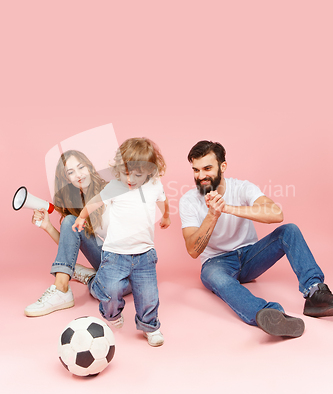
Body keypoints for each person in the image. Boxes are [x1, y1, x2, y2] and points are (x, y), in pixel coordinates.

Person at [179, 140, 333, 338]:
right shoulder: (188, 201)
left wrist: (227, 208)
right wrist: (213, 215)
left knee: (289, 231)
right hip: (216, 263)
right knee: (216, 277)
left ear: (222, 166)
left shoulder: (242, 188)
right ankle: (271, 314)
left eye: (207, 168)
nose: (201, 176)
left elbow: (276, 214)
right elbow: (193, 250)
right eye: (196, 170)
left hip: (251, 256)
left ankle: (315, 293)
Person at [72, 138, 170, 347]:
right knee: (110, 289)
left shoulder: (154, 185)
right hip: (115, 253)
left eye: (138, 174)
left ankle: (150, 326)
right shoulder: (115, 187)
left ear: (150, 172)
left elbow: (162, 199)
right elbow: (95, 201)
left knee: (148, 295)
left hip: (144, 254)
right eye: (126, 173)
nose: (131, 179)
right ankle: (112, 313)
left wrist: (166, 216)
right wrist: (81, 216)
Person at [25, 150, 122, 317]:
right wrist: (47, 226)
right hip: (106, 257)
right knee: (70, 220)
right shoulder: (77, 205)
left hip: (129, 261)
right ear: (66, 179)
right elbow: (71, 243)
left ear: (90, 167)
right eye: (71, 172)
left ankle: (90, 277)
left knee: (113, 291)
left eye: (81, 167)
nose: (78, 175)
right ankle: (61, 289)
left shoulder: (110, 190)